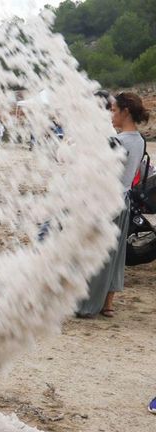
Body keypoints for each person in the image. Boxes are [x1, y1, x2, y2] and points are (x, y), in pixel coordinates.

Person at [76, 92, 149, 318]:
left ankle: (87, 305)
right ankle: (108, 304)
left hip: (106, 201)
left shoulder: (117, 142)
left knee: (95, 252)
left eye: (114, 110)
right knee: (115, 255)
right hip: (124, 201)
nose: (111, 114)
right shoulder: (140, 141)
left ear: (125, 112)